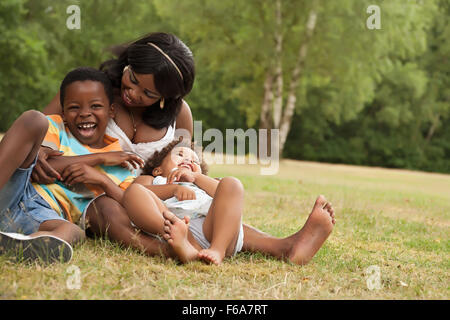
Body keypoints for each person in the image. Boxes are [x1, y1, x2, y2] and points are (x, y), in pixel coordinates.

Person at [36, 32, 336, 265]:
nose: (132, 93)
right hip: (96, 194)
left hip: (158, 201)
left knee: (201, 210)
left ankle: (285, 247)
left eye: (148, 92)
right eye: (132, 78)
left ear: (166, 97)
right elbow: (42, 125)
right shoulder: (94, 90)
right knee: (108, 208)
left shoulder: (180, 116)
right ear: (127, 63)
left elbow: (187, 167)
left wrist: (190, 185)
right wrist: (40, 151)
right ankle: (172, 250)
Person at [0, 67, 143, 263]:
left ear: (111, 110)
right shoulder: (56, 128)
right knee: (34, 119)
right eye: (75, 107)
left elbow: (129, 205)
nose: (85, 114)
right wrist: (99, 158)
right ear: (64, 112)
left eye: (95, 106)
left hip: (44, 217)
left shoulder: (122, 165)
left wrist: (102, 180)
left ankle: (23, 246)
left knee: (74, 231)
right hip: (15, 191)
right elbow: (46, 166)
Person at [122, 137, 244, 265]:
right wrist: (173, 188)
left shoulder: (202, 182)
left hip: (213, 231)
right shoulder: (154, 179)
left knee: (232, 183)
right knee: (134, 191)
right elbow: (141, 192)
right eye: (179, 155)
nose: (188, 160)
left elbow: (228, 196)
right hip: (173, 228)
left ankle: (217, 250)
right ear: (158, 170)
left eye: (194, 161)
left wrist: (196, 177)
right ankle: (186, 244)